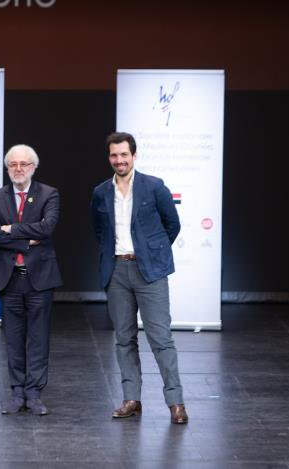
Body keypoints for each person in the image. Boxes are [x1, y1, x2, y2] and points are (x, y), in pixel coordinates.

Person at [90, 132, 188, 424]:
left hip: (150, 272)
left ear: (134, 155)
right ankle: (131, 399)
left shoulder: (154, 187)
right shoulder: (100, 192)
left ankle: (176, 402)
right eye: (114, 155)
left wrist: (151, 252)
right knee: (124, 339)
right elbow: (99, 231)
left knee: (161, 338)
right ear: (109, 157)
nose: (119, 160)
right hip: (117, 271)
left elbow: (173, 224)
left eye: (124, 154)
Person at [0, 144, 62, 415]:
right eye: (13, 165)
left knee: (39, 338)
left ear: (34, 167)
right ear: (7, 168)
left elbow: (47, 228)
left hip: (39, 278)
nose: (18, 169)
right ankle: (17, 391)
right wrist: (28, 239)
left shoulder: (49, 194)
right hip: (10, 278)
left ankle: (34, 392)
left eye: (24, 164)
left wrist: (13, 230)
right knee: (13, 338)